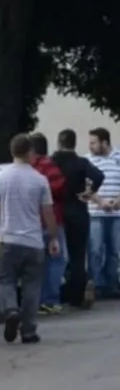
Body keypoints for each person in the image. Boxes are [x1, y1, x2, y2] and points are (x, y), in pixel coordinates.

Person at [0, 134, 61, 344]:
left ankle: (10, 310)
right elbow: (48, 212)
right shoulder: (39, 179)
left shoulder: (0, 177)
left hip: (8, 239)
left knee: (4, 280)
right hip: (33, 241)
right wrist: (53, 238)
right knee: (32, 286)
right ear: (30, 152)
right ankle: (28, 330)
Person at [52, 129, 102, 308]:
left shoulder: (53, 161)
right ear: (74, 143)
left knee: (55, 256)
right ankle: (77, 296)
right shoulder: (81, 162)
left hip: (57, 211)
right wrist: (90, 191)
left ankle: (54, 294)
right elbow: (98, 175)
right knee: (78, 256)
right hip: (78, 210)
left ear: (59, 143)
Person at [28, 133, 66, 314]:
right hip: (52, 220)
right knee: (56, 260)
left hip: (31, 222)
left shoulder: (27, 169)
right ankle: (49, 300)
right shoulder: (49, 167)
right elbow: (60, 189)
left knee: (36, 265)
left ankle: (34, 301)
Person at [85, 127, 120, 298]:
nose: (90, 146)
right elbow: (84, 187)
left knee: (115, 251)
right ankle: (97, 285)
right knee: (96, 250)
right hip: (95, 213)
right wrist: (100, 202)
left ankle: (112, 285)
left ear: (104, 142)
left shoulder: (119, 157)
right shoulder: (88, 160)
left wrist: (118, 200)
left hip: (117, 214)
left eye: (93, 143)